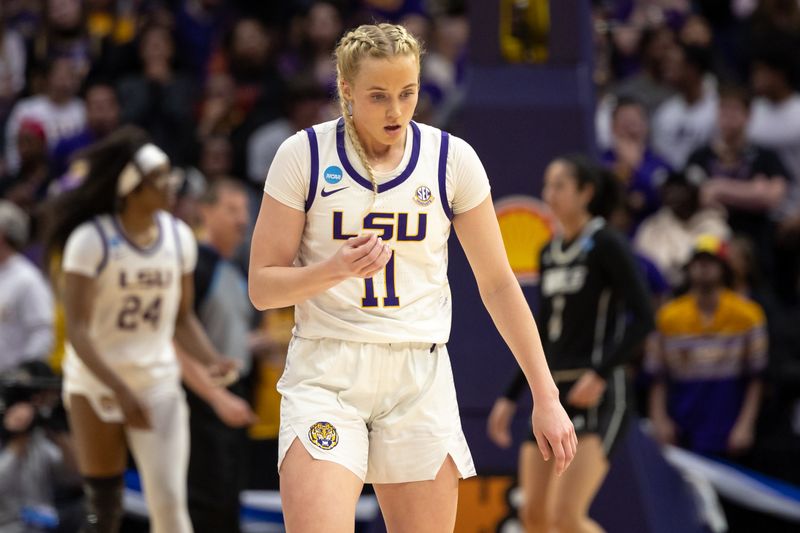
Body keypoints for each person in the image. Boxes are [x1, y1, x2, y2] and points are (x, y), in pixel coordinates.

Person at [248, 23, 577, 532]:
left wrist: (546, 394)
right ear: (346, 90)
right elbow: (262, 286)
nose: (396, 111)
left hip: (418, 375)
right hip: (327, 371)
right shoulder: (303, 155)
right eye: (378, 96)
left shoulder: (452, 160)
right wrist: (333, 270)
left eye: (407, 93)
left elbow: (497, 284)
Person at [44, 125, 235, 533]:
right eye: (160, 177)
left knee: (168, 507)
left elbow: (181, 318)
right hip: (95, 384)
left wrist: (211, 359)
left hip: (156, 384)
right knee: (103, 510)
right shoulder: (90, 241)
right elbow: (78, 331)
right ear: (132, 188)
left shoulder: (179, 237)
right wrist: (119, 389)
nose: (172, 184)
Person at [487, 156, 654, 533]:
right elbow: (541, 333)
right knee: (534, 518)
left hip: (598, 390)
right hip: (553, 392)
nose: (550, 194)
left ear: (586, 193)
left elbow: (644, 317)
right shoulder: (549, 252)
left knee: (566, 517)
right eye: (547, 185)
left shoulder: (607, 243)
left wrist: (600, 373)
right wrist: (510, 396)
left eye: (560, 185)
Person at [179, 178, 257, 533]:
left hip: (230, 395)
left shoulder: (234, 269)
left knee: (227, 503)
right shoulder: (194, 264)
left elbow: (223, 336)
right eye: (232, 210)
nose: (242, 220)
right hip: (200, 403)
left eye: (245, 211)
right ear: (204, 211)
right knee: (206, 505)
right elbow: (173, 334)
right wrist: (216, 395)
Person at [646, 234, 767, 458]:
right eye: (698, 261)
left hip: (729, 426)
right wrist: (659, 420)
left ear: (724, 268)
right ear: (689, 268)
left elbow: (756, 378)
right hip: (682, 425)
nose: (703, 268)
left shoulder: (748, 315)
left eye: (710, 262)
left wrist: (745, 425)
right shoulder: (668, 317)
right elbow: (657, 376)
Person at [0, 199, 54, 374]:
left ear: (3, 234)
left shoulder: (27, 279)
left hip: (9, 384)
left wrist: (22, 374)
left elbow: (43, 332)